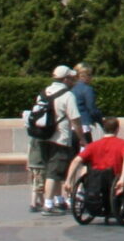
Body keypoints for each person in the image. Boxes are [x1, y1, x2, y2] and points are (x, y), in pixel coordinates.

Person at [28, 70, 84, 214]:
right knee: (54, 173)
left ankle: (59, 200)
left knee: (54, 171)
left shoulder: (43, 92)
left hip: (43, 136)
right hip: (60, 138)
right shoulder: (68, 95)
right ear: (65, 79)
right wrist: (82, 138)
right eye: (71, 79)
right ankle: (48, 205)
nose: (73, 81)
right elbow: (76, 120)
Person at [66, 115, 124, 209]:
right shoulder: (123, 144)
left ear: (104, 129)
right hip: (114, 178)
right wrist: (122, 178)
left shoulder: (92, 146)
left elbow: (76, 161)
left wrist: (68, 180)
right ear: (117, 129)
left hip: (95, 179)